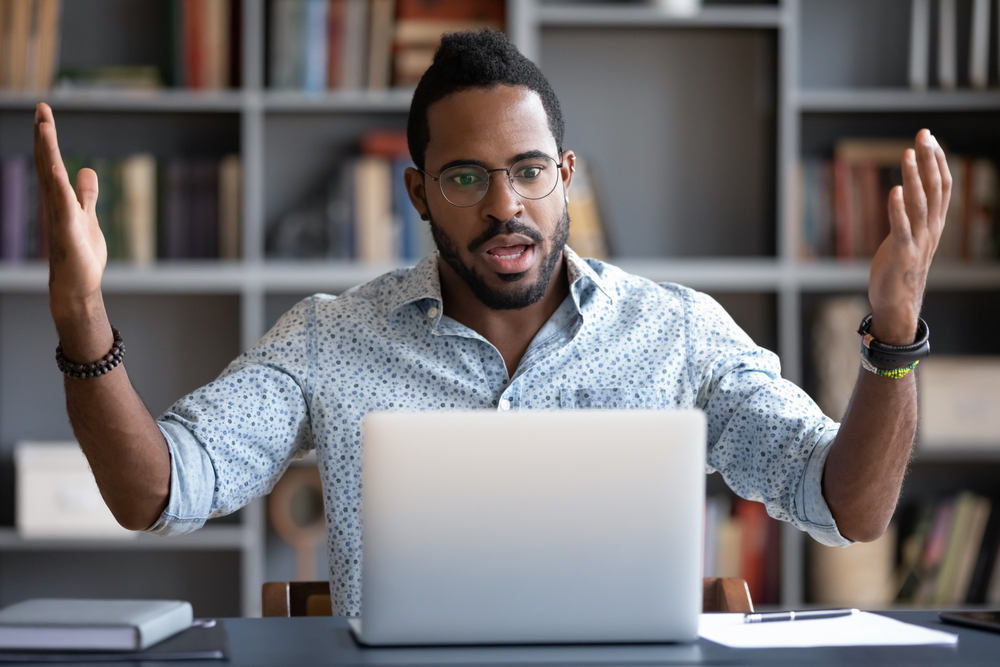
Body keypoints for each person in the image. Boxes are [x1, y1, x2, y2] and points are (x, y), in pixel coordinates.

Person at [34, 30, 949, 616]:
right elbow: (160, 492)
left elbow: (847, 507)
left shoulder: (677, 332)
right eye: (467, 177)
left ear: (566, 175)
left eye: (529, 170)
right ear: (419, 191)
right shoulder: (327, 337)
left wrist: (896, 335)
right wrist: (82, 315)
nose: (505, 204)